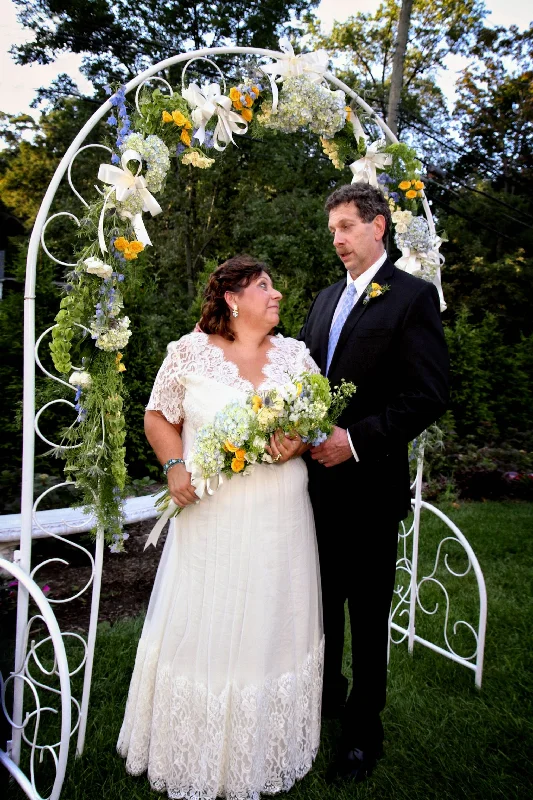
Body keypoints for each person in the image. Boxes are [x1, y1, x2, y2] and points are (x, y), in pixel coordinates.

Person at [117, 255, 324, 800]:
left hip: (281, 515)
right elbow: (158, 417)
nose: (276, 294)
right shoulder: (188, 354)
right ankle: (193, 743)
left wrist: (298, 441)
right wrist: (174, 466)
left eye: (274, 286)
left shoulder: (297, 356)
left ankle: (268, 743)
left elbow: (313, 422)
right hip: (213, 518)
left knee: (272, 615)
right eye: (264, 286)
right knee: (209, 615)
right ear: (233, 298)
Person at [300, 183, 449, 783]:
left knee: (366, 612)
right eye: (332, 228)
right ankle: (326, 698)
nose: (337, 239)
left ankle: (364, 731)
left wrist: (355, 440)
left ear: (378, 226)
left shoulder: (413, 297)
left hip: (369, 487)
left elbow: (429, 394)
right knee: (319, 604)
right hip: (310, 487)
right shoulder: (324, 298)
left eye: (346, 227)